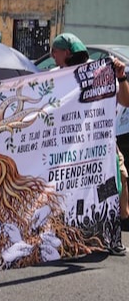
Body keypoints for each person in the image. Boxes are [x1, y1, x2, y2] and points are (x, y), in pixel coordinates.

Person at [50, 32, 129, 255]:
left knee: (112, 189)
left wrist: (121, 77)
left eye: (54, 52)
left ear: (65, 53)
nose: (52, 57)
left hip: (102, 149)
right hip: (70, 150)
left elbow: (125, 101)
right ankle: (68, 236)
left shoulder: (100, 74)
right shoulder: (57, 77)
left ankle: (113, 238)